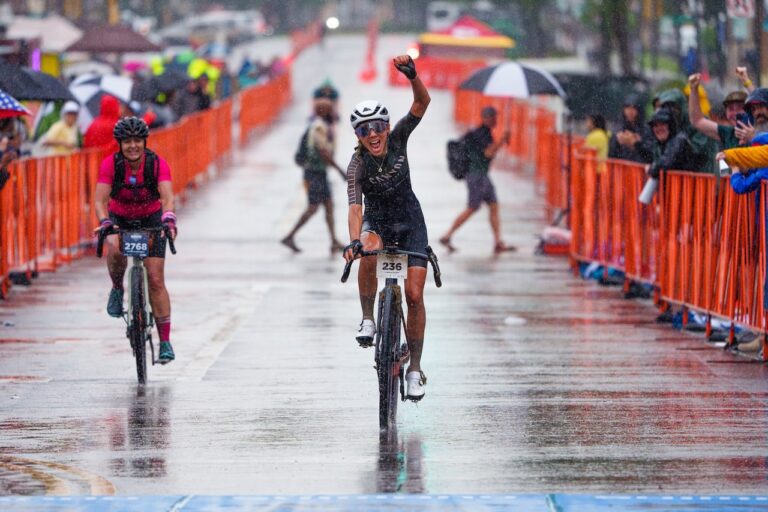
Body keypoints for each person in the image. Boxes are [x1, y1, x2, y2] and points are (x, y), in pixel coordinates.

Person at [343, 55, 431, 401]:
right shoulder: (357, 166)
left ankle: (414, 369)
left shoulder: (398, 139)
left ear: (386, 126)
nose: (373, 135)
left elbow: (422, 102)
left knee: (414, 296)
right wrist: (353, 240)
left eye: (377, 126)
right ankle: (368, 318)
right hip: (377, 221)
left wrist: (413, 76)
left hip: (411, 222)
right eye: (365, 131)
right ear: (358, 136)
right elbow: (355, 207)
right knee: (366, 249)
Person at [93, 117, 177, 364]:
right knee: (116, 248)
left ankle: (165, 342)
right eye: (127, 141)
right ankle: (118, 288)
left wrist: (169, 218)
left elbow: (167, 197)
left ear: (144, 142)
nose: (132, 146)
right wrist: (104, 220)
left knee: (155, 278)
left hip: (152, 218)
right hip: (121, 217)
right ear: (119, 144)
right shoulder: (111, 164)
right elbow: (99, 200)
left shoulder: (157, 164)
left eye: (137, 141)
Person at [438, 106, 516, 254]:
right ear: (486, 118)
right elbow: (488, 153)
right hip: (476, 176)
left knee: (493, 205)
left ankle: (498, 241)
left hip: (482, 175)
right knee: (473, 207)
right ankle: (447, 235)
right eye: (493, 117)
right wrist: (502, 140)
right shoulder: (482, 134)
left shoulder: (482, 132)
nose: (495, 120)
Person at [281, 97, 346, 254]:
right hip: (313, 173)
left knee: (329, 205)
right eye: (331, 110)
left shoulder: (324, 125)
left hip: (320, 172)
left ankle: (333, 241)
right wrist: (339, 170)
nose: (334, 113)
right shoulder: (319, 127)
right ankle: (290, 236)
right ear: (325, 112)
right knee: (313, 207)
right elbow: (323, 151)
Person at [688, 73, 751, 150]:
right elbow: (697, 120)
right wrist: (694, 89)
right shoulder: (728, 133)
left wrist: (754, 137)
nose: (735, 113)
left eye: (740, 108)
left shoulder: (762, 129)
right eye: (731, 109)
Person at [608, 96, 653, 164]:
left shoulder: (646, 129)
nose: (630, 111)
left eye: (634, 108)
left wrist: (637, 144)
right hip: (623, 168)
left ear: (639, 110)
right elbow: (611, 155)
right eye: (628, 108)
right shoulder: (618, 129)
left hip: (639, 168)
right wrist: (617, 143)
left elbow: (650, 154)